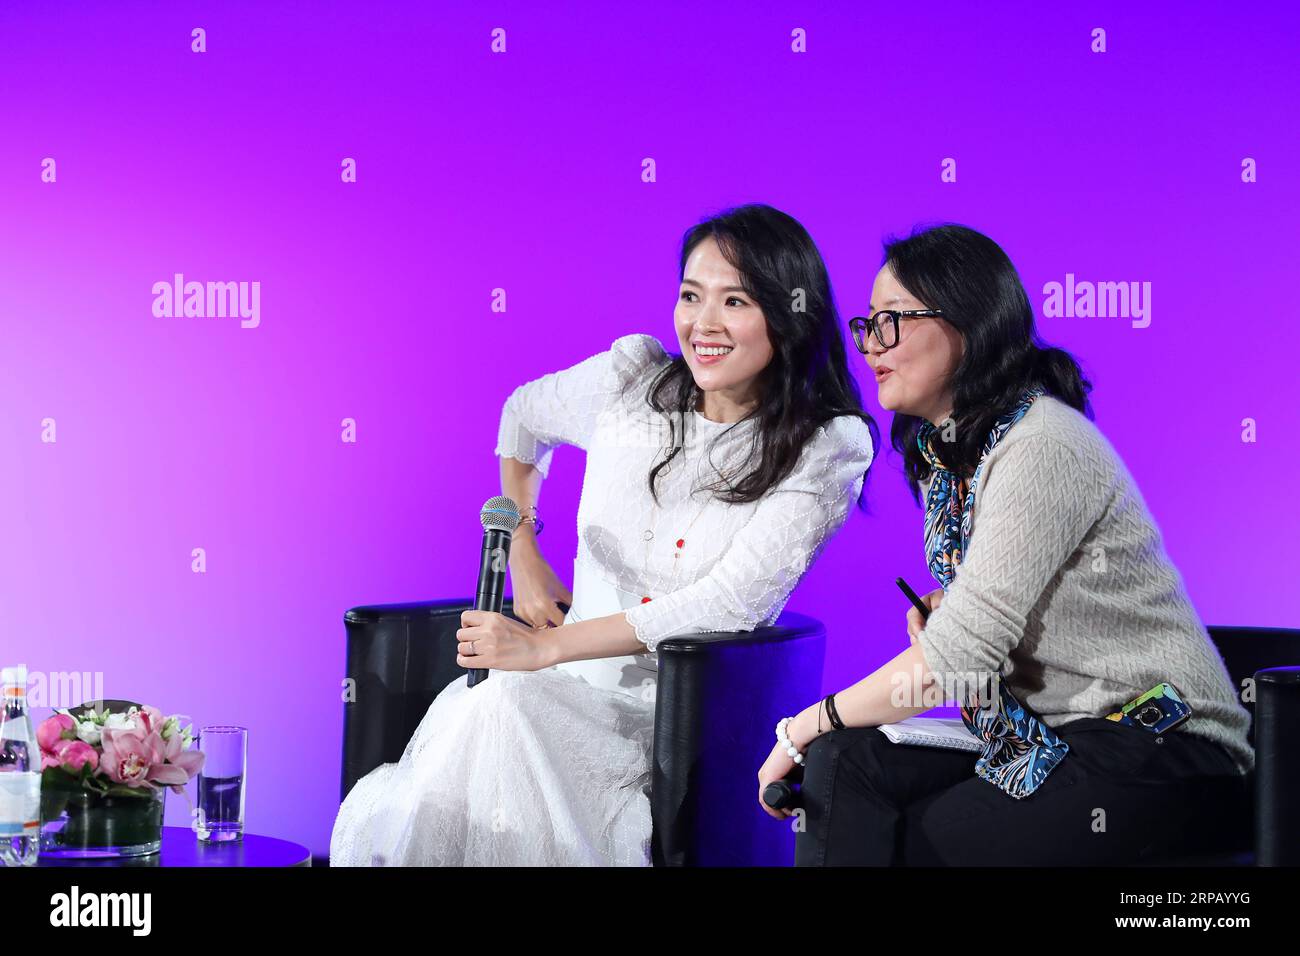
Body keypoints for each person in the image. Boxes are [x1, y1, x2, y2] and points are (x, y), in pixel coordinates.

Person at [330, 203, 877, 866]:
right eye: (690, 296)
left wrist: (547, 649)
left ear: (789, 316)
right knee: (501, 703)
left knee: (507, 703)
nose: (702, 324)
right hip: (550, 685)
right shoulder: (633, 383)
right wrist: (526, 549)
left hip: (676, 716)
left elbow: (725, 605)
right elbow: (521, 419)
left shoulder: (825, 445)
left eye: (734, 301)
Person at [758, 223, 1254, 866]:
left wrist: (804, 726)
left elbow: (957, 660)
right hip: (1058, 738)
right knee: (846, 767)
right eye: (868, 324)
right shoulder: (954, 458)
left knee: (913, 834)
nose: (871, 345)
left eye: (891, 321)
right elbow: (973, 644)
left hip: (1164, 745)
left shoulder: (1042, 444)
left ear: (967, 324)